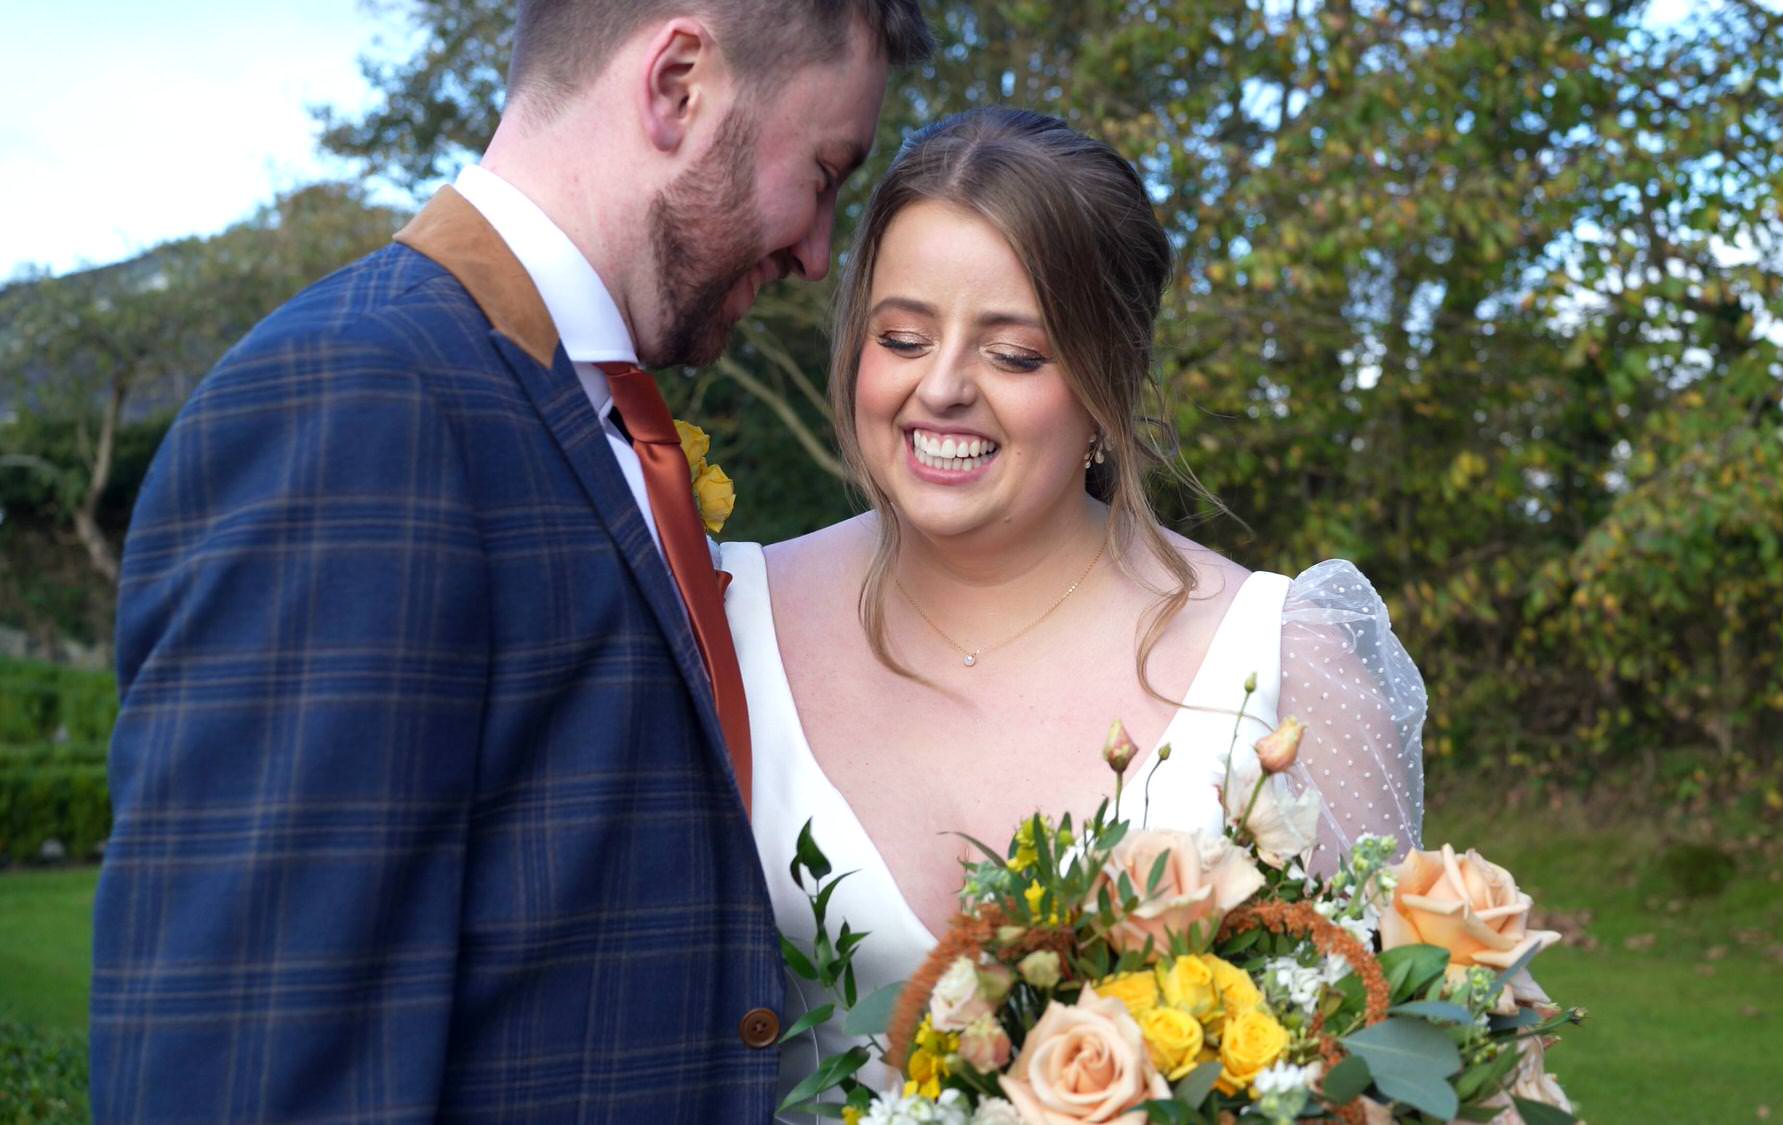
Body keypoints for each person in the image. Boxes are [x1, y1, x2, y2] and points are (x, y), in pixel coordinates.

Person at [92, 2, 931, 1119]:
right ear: (677, 82)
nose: (817, 253)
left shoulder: (592, 417)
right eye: (823, 176)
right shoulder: (357, 398)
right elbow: (249, 1060)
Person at [720, 107, 1429, 1103]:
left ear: (1108, 380)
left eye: (1014, 354)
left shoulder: (1285, 664)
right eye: (902, 336)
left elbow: (1386, 1077)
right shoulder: (716, 620)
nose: (943, 387)